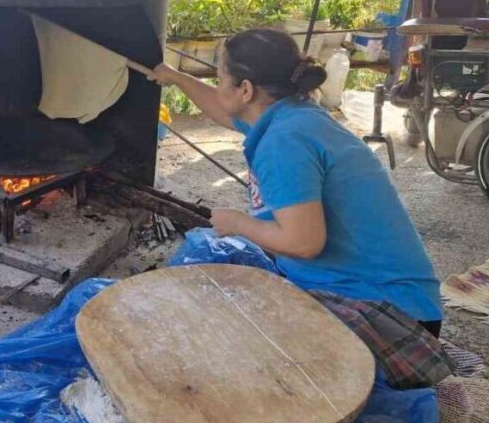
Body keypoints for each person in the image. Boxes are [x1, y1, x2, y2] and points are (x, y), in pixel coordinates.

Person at [154, 28, 442, 334]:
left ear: (246, 90)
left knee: (216, 331)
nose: (217, 85)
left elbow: (303, 244)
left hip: (391, 317)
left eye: (220, 79)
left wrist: (238, 223)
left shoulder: (283, 142)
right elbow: (224, 111)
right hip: (392, 298)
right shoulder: (293, 114)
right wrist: (175, 77)